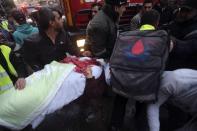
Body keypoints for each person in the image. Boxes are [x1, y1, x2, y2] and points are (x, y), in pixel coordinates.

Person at [110, 9, 170, 131]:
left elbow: (114, 59)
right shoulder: (161, 39)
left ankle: (115, 126)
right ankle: (139, 126)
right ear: (157, 23)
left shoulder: (125, 36)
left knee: (119, 102)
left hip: (123, 81)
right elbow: (162, 63)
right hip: (145, 84)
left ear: (140, 22)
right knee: (141, 107)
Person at [23, 7, 78, 72]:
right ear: (51, 23)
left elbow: (71, 49)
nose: (62, 20)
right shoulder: (32, 42)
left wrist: (81, 54)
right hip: (48, 78)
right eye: (59, 18)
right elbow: (32, 65)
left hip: (65, 72)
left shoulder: (63, 33)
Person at [166, 0, 197, 70]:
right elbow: (166, 27)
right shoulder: (176, 22)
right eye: (182, 9)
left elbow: (190, 46)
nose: (183, 13)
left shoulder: (194, 30)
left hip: (185, 70)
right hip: (167, 66)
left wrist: (174, 43)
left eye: (187, 11)